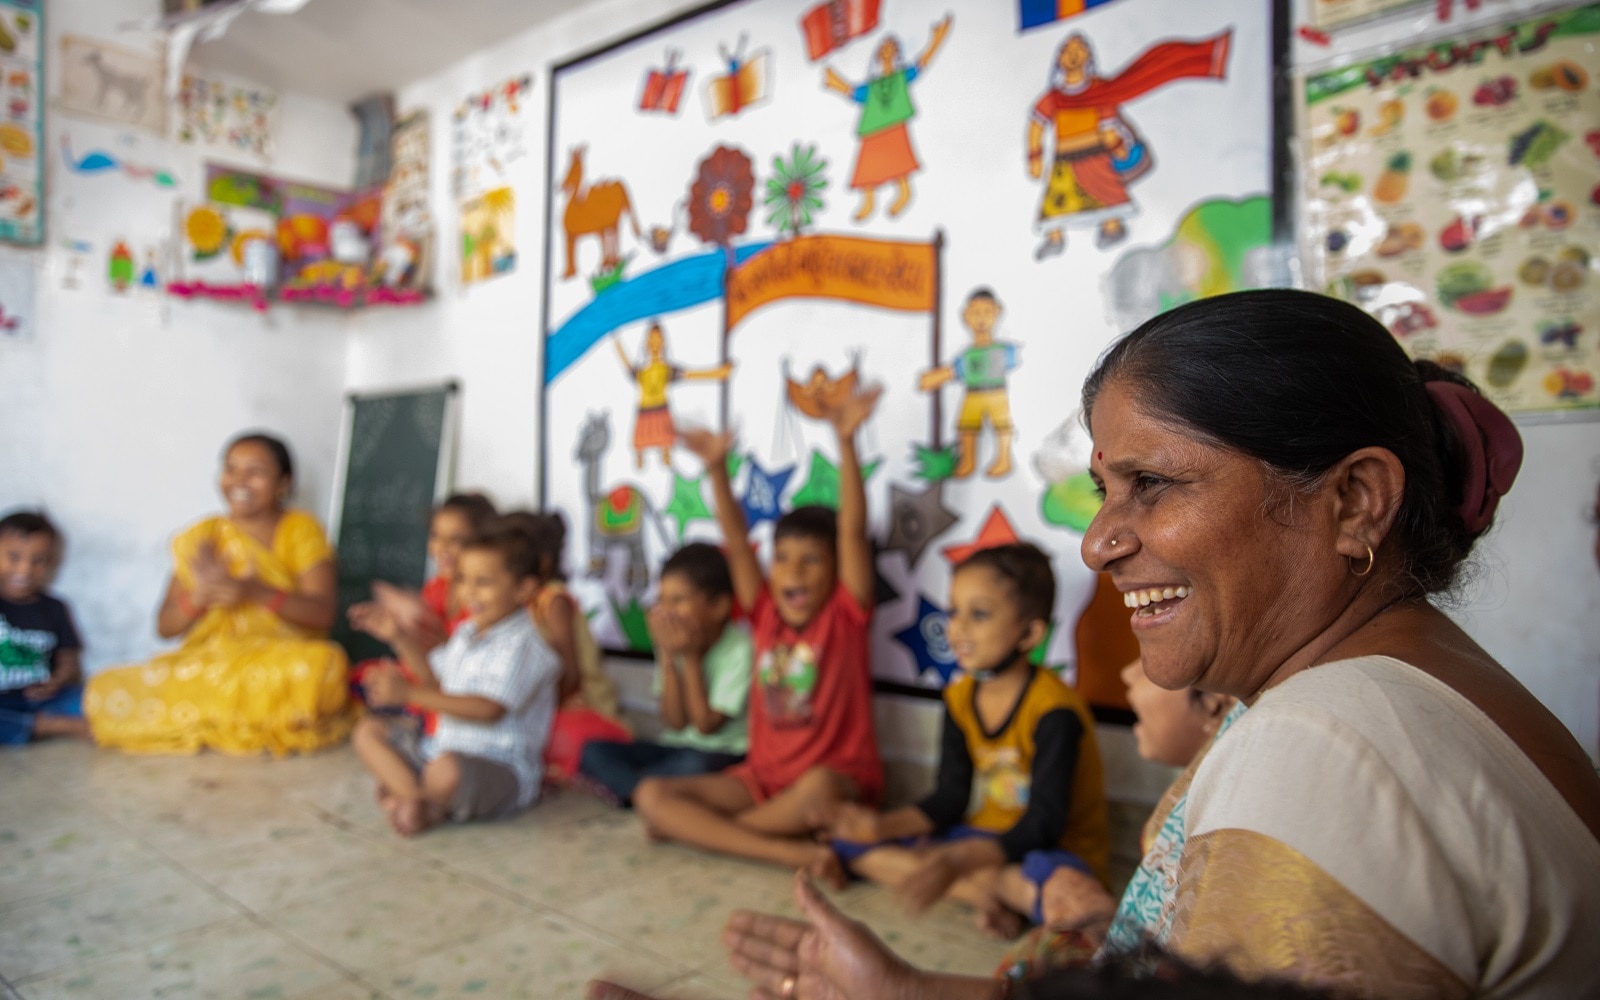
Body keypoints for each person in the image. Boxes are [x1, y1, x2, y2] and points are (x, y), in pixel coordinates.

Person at [717, 289, 1600, 998]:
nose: (1097, 542)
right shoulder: (1396, 686)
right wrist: (910, 990)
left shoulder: (1326, 747)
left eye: (1152, 482)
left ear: (1356, 500)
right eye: (1104, 489)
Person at [632, 383, 884, 870]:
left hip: (832, 782)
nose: (793, 571)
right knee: (651, 794)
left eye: (812, 560)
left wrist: (847, 441)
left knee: (818, 791)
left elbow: (852, 530)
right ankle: (788, 849)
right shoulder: (765, 613)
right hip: (762, 781)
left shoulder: (844, 616)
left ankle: (712, 833)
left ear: (837, 573)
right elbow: (735, 536)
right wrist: (715, 469)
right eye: (782, 558)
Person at [820, 543, 1110, 935]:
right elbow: (950, 798)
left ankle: (996, 889)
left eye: (979, 614)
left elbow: (1044, 824)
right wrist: (880, 827)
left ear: (1029, 634)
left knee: (1056, 882)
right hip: (985, 835)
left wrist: (961, 860)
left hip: (1052, 849)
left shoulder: (1054, 712)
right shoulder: (959, 698)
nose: (957, 628)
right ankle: (996, 894)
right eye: (953, 611)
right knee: (852, 846)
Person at [85, 433, 353, 755]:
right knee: (103, 686)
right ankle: (242, 720)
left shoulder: (301, 529)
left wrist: (254, 591)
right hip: (212, 664)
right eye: (231, 469)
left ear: (284, 482)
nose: (239, 481)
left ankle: (207, 719)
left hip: (277, 661)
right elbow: (166, 628)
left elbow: (322, 614)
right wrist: (199, 597)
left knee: (324, 667)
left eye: (254, 472)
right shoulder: (203, 536)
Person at [350, 518, 561, 836]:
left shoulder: (525, 645)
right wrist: (398, 638)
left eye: (483, 582)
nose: (469, 592)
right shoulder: (466, 632)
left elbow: (489, 709)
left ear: (524, 589)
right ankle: (417, 797)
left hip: (499, 767)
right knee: (369, 732)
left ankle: (412, 795)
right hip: (440, 749)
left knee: (445, 772)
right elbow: (434, 680)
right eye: (462, 579)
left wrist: (408, 695)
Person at [1026, 32, 1231, 258]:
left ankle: (1112, 229)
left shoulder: (1099, 89)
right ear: (1059, 58)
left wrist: (1116, 145)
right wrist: (1034, 157)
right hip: (1065, 161)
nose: (1073, 55)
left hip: (1095, 155)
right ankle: (1054, 238)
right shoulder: (1054, 98)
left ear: (1088, 57)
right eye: (1067, 50)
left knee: (1107, 195)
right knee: (1057, 202)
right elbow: (1037, 125)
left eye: (1079, 49)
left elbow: (1108, 122)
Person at [579, 542, 753, 806]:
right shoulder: (672, 644)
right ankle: (648, 792)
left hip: (722, 753)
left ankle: (637, 790)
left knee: (695, 765)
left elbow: (705, 726)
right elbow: (675, 722)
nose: (666, 611)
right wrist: (668, 656)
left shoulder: (740, 649)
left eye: (678, 600)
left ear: (719, 606)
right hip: (675, 747)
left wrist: (691, 658)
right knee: (593, 751)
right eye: (661, 600)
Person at [348, 492, 498, 732]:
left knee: (371, 725)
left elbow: (455, 669)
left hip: (454, 697)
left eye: (456, 539)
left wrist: (425, 626)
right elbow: (424, 664)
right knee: (357, 681)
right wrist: (398, 633)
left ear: (483, 544)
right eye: (436, 536)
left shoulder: (486, 604)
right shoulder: (437, 588)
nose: (442, 548)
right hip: (426, 682)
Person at [508, 510, 632, 784]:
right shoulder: (516, 606)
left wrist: (536, 712)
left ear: (543, 562)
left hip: (576, 703)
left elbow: (570, 673)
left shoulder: (554, 601)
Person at [822, 17, 951, 222]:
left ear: (897, 53)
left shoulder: (901, 77)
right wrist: (836, 83)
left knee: (899, 162)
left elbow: (921, 65)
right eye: (883, 48)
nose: (886, 51)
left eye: (890, 48)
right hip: (872, 128)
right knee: (867, 167)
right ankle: (869, 202)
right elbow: (855, 93)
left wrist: (936, 40)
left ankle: (904, 193)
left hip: (895, 125)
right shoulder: (873, 86)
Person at [0, 512, 89, 743]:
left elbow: (69, 660)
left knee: (93, 697)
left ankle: (32, 724)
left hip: (46, 700)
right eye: (13, 557)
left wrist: (57, 681)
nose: (25, 569)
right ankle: (49, 726)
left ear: (51, 563)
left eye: (38, 560)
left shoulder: (55, 608)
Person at [917, 288, 1019, 479]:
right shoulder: (968, 354)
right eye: (975, 313)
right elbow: (955, 371)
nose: (981, 319)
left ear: (997, 311)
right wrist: (936, 378)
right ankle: (968, 461)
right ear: (966, 316)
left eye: (987, 312)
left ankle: (1004, 459)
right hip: (973, 394)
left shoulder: (1003, 350)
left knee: (1001, 425)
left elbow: (1012, 361)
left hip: (996, 393)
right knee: (966, 427)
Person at [614, 321, 734, 469]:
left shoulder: (667, 370)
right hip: (644, 414)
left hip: (661, 412)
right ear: (646, 343)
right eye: (652, 340)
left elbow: (692, 374)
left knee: (666, 454)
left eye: (658, 340)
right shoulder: (642, 372)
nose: (655, 344)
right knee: (640, 452)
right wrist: (616, 341)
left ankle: (667, 465)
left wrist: (718, 374)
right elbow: (627, 363)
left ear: (664, 343)